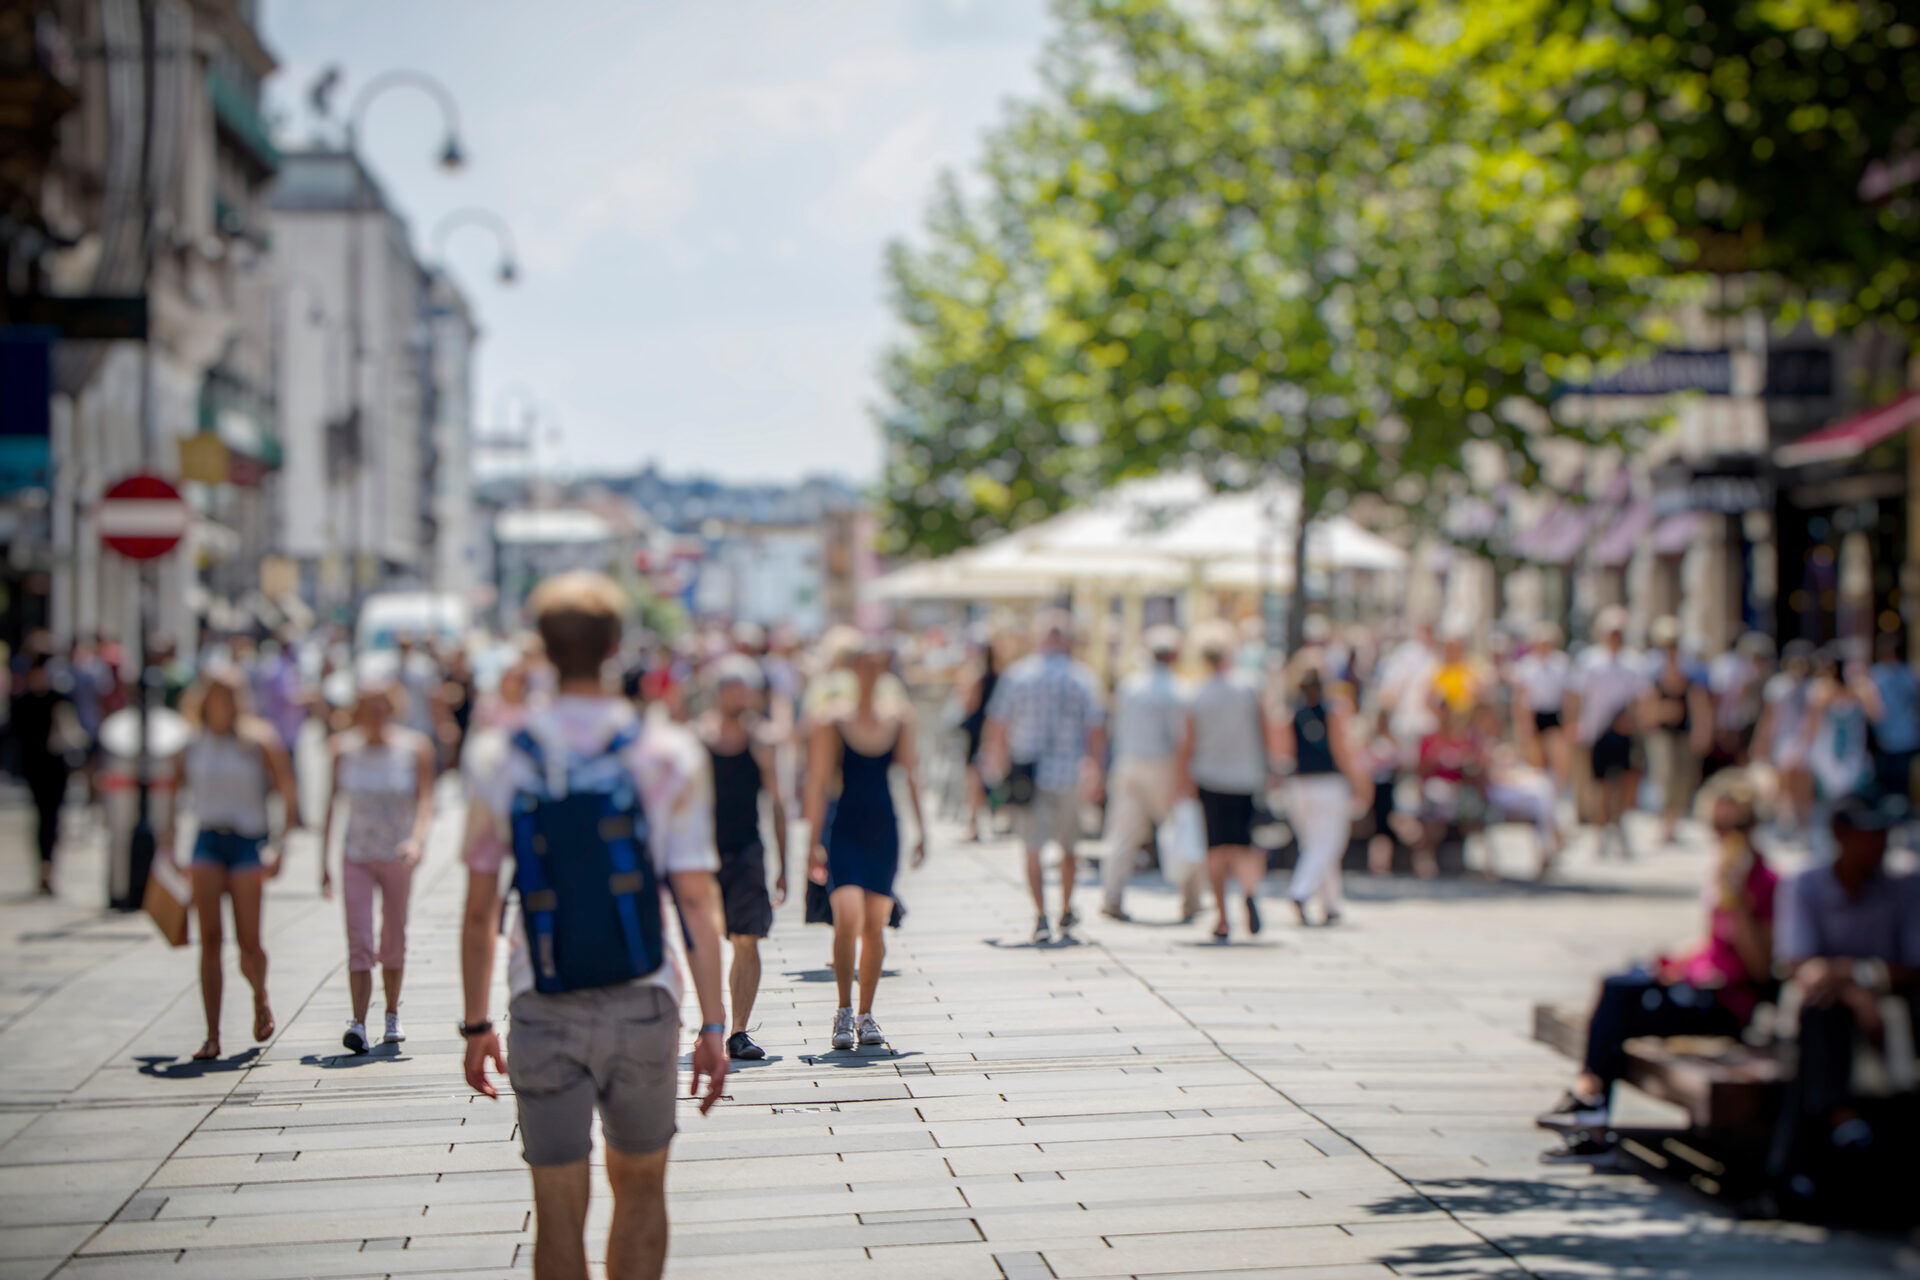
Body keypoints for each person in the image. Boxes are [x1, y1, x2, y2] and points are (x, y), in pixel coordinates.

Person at [459, 571, 728, 1280]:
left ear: (542, 649)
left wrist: (475, 1022)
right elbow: (697, 901)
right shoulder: (667, 755)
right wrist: (713, 1026)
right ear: (615, 646)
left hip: (539, 996)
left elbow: (481, 907)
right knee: (641, 1186)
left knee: (556, 1206)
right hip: (644, 996)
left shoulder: (499, 757)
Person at [1538, 780, 1777, 1150]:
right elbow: (1714, 946)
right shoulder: (1725, 874)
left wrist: (1740, 903)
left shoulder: (1765, 881)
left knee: (1620, 1001)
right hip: (1701, 987)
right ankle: (1593, 1108)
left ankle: (1591, 1102)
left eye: (1732, 827)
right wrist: (1674, 962)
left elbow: (1760, 967)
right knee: (1621, 986)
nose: (1723, 836)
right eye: (1716, 827)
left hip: (1729, 1003)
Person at [1766, 793, 1920, 1201]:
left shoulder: (1905, 886)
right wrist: (1852, 991)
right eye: (1870, 834)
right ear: (1840, 835)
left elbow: (1913, 965)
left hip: (1893, 1004)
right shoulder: (1805, 884)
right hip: (1826, 1005)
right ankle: (1839, 1121)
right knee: (1821, 1009)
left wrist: (1854, 974)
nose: (1880, 844)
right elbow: (1800, 963)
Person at [172, 669, 300, 1062]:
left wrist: (281, 846)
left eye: (230, 695)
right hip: (207, 839)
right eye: (216, 694)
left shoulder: (258, 740)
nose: (223, 702)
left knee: (249, 940)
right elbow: (173, 795)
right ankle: (212, 1034)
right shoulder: (192, 742)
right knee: (209, 939)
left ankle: (260, 997)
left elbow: (287, 792)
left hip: (247, 840)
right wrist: (168, 847)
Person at [804, 638, 926, 1050]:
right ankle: (842, 1009)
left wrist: (924, 828)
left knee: (874, 926)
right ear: (852, 672)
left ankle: (866, 1013)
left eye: (879, 667)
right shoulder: (831, 720)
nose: (872, 674)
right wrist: (810, 842)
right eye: (865, 666)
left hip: (883, 828)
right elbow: (818, 783)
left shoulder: (900, 718)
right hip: (844, 826)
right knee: (847, 917)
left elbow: (912, 774)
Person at [320, 679, 435, 1053]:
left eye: (382, 706)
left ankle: (391, 1013)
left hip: (396, 856)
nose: (375, 714)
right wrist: (322, 862)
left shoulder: (414, 747)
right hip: (356, 853)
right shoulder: (342, 749)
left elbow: (425, 800)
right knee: (359, 936)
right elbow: (329, 805)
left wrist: (416, 840)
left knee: (394, 934)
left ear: (393, 708)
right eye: (368, 707)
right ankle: (357, 1021)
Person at [984, 611, 1106, 944]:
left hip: (1027, 770)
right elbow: (1096, 729)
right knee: (1070, 847)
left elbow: (998, 722)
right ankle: (1066, 906)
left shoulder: (1018, 675)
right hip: (1069, 771)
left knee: (1032, 846)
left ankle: (1040, 914)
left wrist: (996, 761)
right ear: (1066, 639)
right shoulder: (1082, 677)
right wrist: (1095, 768)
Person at [698, 655, 789, 1061]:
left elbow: (778, 803)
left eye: (743, 689)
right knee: (702, 942)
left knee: (746, 938)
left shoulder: (761, 740)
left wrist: (786, 865)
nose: (737, 697)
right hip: (701, 854)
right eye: (730, 689)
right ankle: (710, 1024)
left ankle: (737, 1030)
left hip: (748, 850)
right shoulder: (698, 738)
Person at [1179, 620, 1276, 941]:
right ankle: (1249, 891)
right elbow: (1267, 730)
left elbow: (1188, 742)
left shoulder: (1197, 694)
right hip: (1247, 776)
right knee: (1246, 844)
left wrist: (1184, 779)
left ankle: (1222, 916)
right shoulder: (1250, 686)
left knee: (1216, 848)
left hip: (1209, 777)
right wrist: (1273, 768)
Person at [1101, 626, 1197, 923]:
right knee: (1180, 830)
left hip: (1128, 762)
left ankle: (1112, 897)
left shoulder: (1130, 686)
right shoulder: (1179, 690)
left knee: (1123, 834)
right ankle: (1191, 898)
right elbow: (1180, 739)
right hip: (1162, 766)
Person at [1274, 664, 1365, 925]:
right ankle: (1300, 891)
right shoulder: (1332, 712)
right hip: (1328, 785)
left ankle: (1331, 903)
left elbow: (1283, 753)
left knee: (1315, 844)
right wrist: (1359, 782)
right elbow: (1343, 751)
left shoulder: (1290, 713)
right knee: (1327, 844)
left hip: (1298, 786)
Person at [1565, 606, 1648, 858]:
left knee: (1623, 782)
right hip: (1595, 730)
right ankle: (1600, 831)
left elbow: (1640, 698)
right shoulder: (1590, 661)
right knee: (1598, 784)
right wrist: (1574, 724)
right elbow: (1576, 696)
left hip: (1623, 733)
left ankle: (1619, 825)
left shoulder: (1633, 663)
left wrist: (1633, 721)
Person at [10, 641, 80, 894]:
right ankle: (44, 868)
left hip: (56, 766)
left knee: (53, 818)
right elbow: (13, 734)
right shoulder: (22, 701)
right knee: (42, 818)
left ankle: (49, 868)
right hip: (34, 767)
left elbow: (72, 733)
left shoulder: (59, 699)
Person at [1644, 616, 1712, 844]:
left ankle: (1673, 823)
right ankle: (1665, 824)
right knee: (1665, 777)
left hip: (1684, 733)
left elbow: (1699, 704)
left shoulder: (1692, 669)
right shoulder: (1652, 670)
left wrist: (1702, 731)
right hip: (1662, 734)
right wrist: (1664, 712)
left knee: (1683, 778)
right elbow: (1648, 708)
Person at [1754, 639, 1816, 837]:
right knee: (1783, 786)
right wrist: (1762, 742)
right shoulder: (1777, 686)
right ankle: (1787, 825)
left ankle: (1804, 827)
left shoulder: (1813, 687)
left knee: (1803, 787)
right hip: (1783, 741)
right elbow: (1769, 718)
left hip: (1806, 743)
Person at [1510, 622, 1572, 784]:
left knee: (1560, 761)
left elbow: (1568, 695)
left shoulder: (1561, 663)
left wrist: (1569, 719)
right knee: (1536, 764)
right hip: (1533, 716)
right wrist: (1522, 723)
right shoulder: (1525, 666)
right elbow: (1519, 697)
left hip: (1554, 714)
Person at [1860, 632, 1919, 805]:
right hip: (1908, 735)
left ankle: (1892, 816)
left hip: (1886, 737)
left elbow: (1874, 710)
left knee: (1887, 783)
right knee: (1902, 781)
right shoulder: (1909, 674)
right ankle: (1902, 815)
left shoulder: (1875, 675)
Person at [956, 633, 1001, 843]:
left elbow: (969, 704)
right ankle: (996, 819)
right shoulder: (1001, 676)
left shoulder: (975, 676)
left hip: (978, 732)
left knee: (974, 780)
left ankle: (973, 825)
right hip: (994, 731)